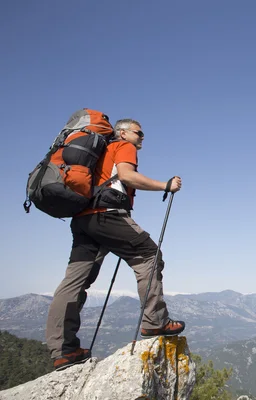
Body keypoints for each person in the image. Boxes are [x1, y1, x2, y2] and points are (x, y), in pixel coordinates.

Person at [45, 118, 185, 371]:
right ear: (122, 132)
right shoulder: (122, 145)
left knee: (75, 281)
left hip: (83, 220)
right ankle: (154, 320)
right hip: (107, 214)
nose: (142, 137)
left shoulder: (96, 155)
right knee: (149, 255)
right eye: (138, 132)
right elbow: (127, 176)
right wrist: (165, 185)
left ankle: (64, 350)